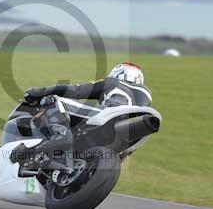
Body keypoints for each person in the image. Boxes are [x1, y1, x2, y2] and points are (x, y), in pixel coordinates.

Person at [11, 62, 152, 167]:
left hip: (109, 113)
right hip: (124, 135)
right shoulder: (146, 95)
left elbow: (74, 90)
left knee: (56, 101)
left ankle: (61, 134)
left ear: (117, 73)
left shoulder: (111, 82)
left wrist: (38, 92)